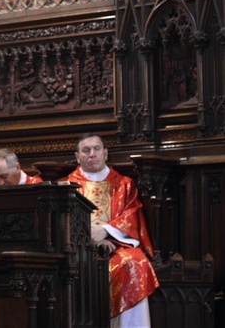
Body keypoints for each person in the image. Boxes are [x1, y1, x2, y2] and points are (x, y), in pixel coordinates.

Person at [62, 133, 159, 328]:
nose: (92, 154)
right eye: (86, 150)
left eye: (97, 149)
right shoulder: (65, 186)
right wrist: (91, 238)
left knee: (135, 262)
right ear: (77, 156)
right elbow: (63, 220)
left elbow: (131, 214)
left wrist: (107, 231)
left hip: (116, 245)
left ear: (105, 153)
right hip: (78, 247)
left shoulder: (124, 184)